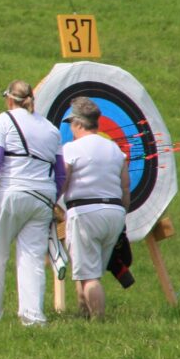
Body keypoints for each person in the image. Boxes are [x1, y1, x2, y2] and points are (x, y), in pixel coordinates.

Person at [0, 80, 64, 325]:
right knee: (32, 259)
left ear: (10, 99)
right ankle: (32, 317)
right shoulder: (51, 129)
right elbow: (61, 173)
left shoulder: (3, 120)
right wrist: (52, 199)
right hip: (42, 197)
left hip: (10, 193)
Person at [60, 97, 129, 319]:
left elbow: (63, 180)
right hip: (115, 212)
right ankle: (83, 316)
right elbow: (125, 187)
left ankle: (98, 322)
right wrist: (122, 219)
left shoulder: (72, 148)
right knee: (85, 268)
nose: (71, 128)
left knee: (90, 276)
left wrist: (52, 204)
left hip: (85, 213)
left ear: (79, 124)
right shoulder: (115, 150)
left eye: (72, 124)